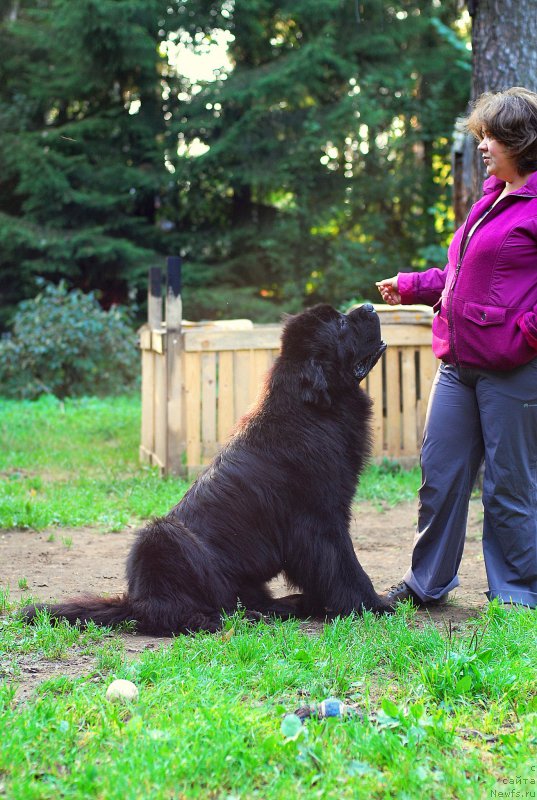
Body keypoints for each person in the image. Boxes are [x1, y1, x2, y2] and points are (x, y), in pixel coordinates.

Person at [376, 86, 537, 609]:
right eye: (482, 135)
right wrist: (412, 286)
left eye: (492, 136)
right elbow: (460, 276)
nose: (483, 145)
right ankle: (427, 584)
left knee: (509, 487)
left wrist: (524, 335)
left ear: (522, 141)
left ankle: (515, 592)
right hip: (457, 365)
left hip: (513, 370)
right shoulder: (490, 199)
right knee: (439, 477)